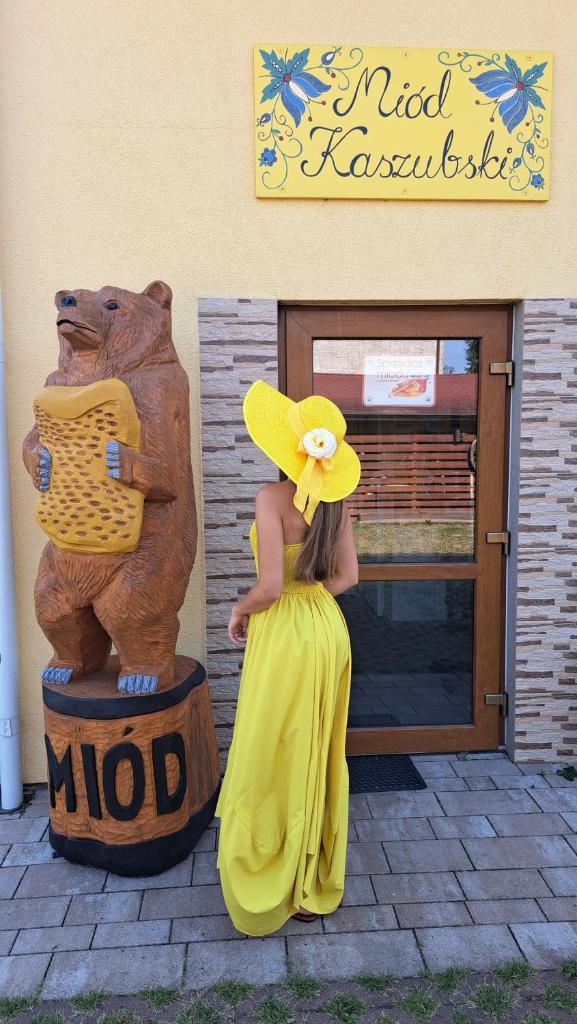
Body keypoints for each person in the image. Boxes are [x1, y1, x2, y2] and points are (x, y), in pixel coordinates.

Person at [215, 379, 360, 936]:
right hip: (326, 629)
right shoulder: (337, 505)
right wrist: (312, 600)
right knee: (317, 746)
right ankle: (308, 876)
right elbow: (347, 578)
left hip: (284, 634)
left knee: (272, 745)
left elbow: (270, 587)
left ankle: (274, 871)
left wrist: (239, 609)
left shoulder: (269, 499)